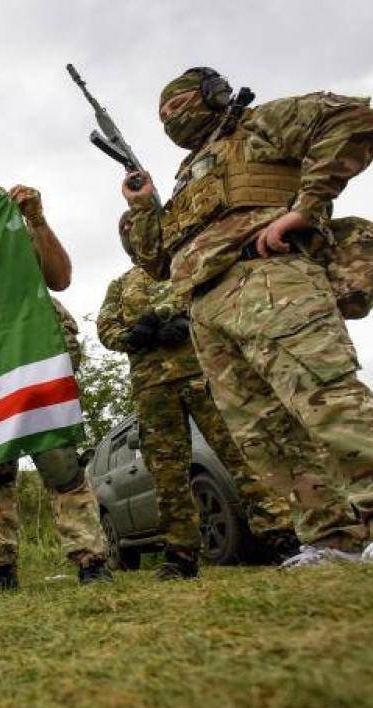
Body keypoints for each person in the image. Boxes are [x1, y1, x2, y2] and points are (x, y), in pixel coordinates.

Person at [123, 67, 373, 565]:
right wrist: (143, 208)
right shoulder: (187, 178)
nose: (170, 120)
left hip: (267, 280)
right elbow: (157, 262)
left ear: (212, 96)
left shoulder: (257, 125)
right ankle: (330, 537)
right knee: (263, 432)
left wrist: (308, 206)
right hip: (205, 308)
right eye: (162, 116)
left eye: (177, 106)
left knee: (325, 396)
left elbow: (355, 120)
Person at [98, 214, 298, 579]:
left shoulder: (186, 263)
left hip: (204, 372)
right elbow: (106, 328)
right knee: (167, 471)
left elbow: (217, 300)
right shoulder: (121, 284)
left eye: (135, 226)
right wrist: (135, 336)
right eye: (124, 230)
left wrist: (188, 322)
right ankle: (181, 553)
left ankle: (280, 534)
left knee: (239, 453)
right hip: (153, 388)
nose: (131, 233)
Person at [0, 182, 111, 591]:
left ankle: (90, 560)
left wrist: (36, 219)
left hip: (33, 364)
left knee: (59, 461)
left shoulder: (25, 244)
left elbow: (61, 278)